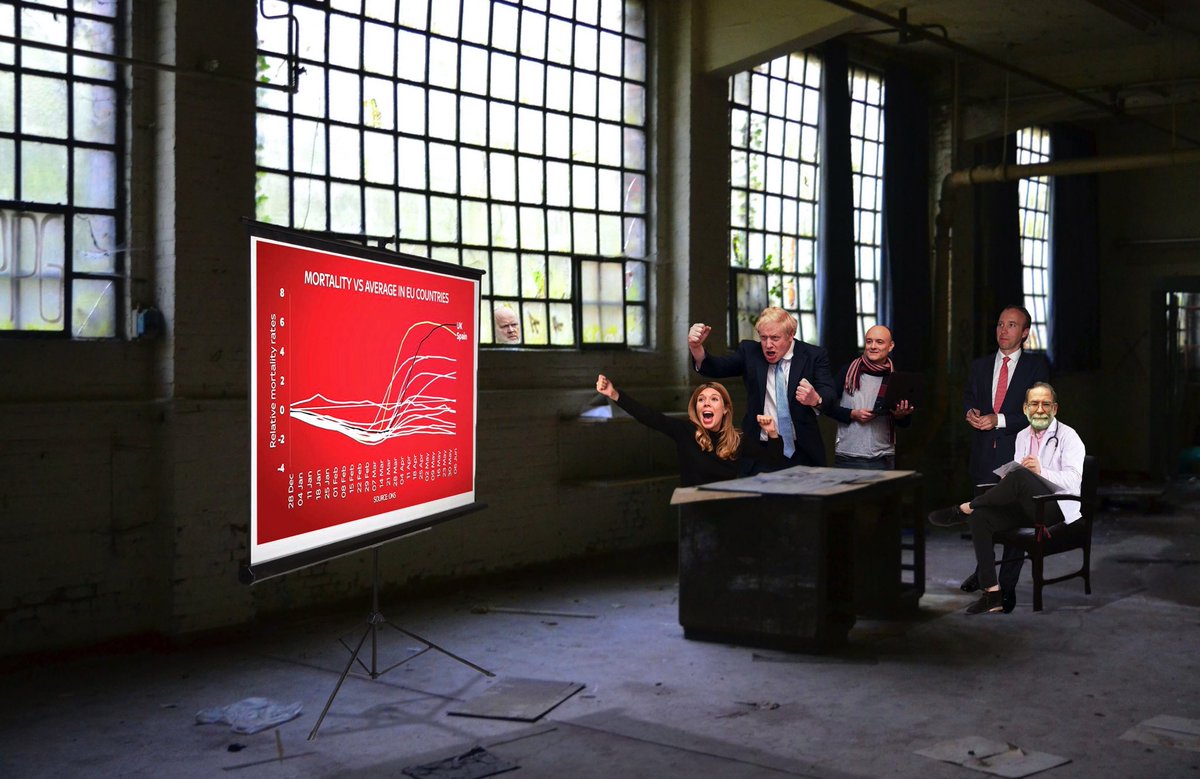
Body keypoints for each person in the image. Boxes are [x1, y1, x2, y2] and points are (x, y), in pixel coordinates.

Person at [929, 382, 1085, 614]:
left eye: (1046, 404)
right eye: (1034, 404)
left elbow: (1073, 480)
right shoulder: (1022, 436)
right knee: (982, 517)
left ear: (1055, 408)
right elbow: (1019, 478)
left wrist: (1040, 471)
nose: (1039, 409)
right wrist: (1009, 482)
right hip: (1026, 505)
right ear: (1025, 409)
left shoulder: (1068, 436)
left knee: (1020, 476)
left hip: (1055, 508)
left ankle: (965, 508)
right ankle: (992, 594)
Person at [688, 307, 835, 468]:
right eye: (763, 337)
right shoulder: (750, 352)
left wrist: (815, 399)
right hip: (759, 450)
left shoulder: (813, 355)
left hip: (802, 450)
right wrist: (696, 348)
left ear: (791, 334)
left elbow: (829, 394)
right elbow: (717, 367)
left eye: (775, 338)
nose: (768, 345)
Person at [594, 374, 785, 487]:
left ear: (726, 409)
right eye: (701, 400)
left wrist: (772, 433)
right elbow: (650, 417)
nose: (706, 403)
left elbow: (774, 460)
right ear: (696, 408)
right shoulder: (685, 432)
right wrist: (614, 394)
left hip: (726, 512)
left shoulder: (737, 440)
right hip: (694, 513)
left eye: (714, 399)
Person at [963, 305, 1051, 486]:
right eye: (1000, 324)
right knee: (982, 504)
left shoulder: (1036, 367)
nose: (1003, 330)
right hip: (982, 460)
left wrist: (999, 420)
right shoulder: (980, 366)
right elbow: (969, 398)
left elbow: (1039, 414)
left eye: (1011, 325)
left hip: (1019, 460)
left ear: (1025, 333)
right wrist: (970, 412)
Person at [825, 325, 914, 470]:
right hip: (849, 456)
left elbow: (905, 423)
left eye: (879, 342)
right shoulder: (848, 372)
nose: (873, 346)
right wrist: (852, 414)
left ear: (891, 346)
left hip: (884, 457)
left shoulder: (896, 378)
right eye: (869, 341)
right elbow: (824, 405)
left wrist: (900, 415)